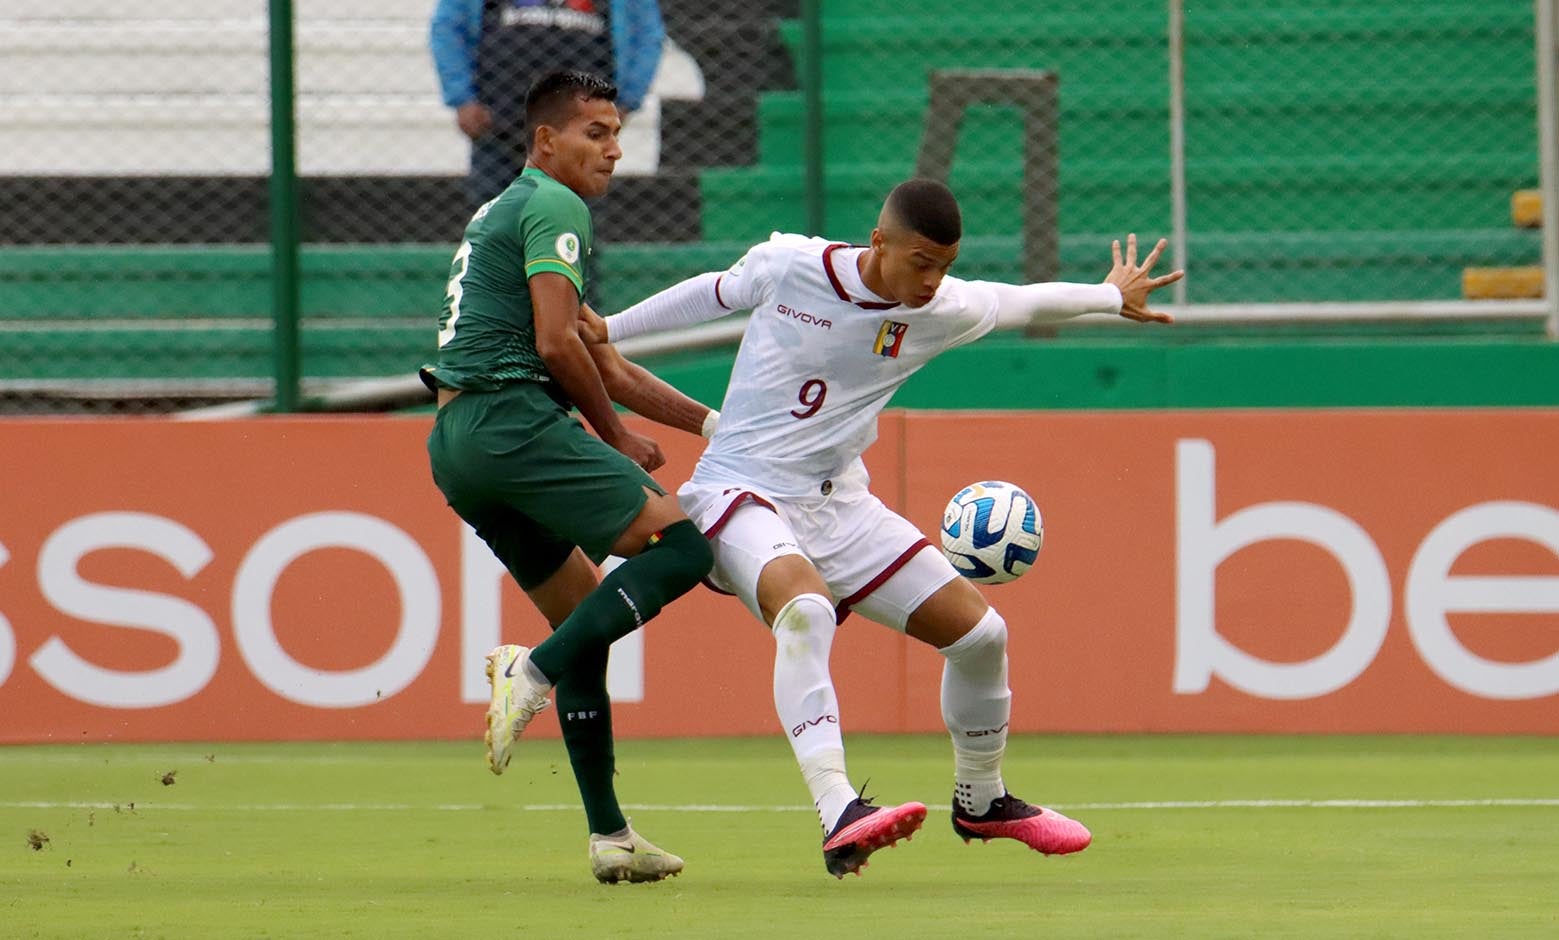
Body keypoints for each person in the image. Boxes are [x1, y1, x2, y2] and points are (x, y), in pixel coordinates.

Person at [584, 179, 1182, 878]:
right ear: (879, 243)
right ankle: (839, 810)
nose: (932, 281)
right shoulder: (794, 266)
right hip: (738, 489)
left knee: (980, 636)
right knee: (805, 612)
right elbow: (711, 292)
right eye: (921, 262)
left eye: (945, 265)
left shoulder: (942, 307)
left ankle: (981, 801)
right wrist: (608, 328)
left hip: (839, 505)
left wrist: (1109, 297)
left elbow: (1021, 300)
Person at [421, 69, 715, 885]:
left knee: (591, 620)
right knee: (684, 550)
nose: (614, 150)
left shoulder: (504, 209)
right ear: (545, 141)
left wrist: (713, 426)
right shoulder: (556, 205)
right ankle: (533, 669)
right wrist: (615, 438)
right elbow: (555, 346)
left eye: (618, 134)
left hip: (457, 439)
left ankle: (610, 837)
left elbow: (597, 359)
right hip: (511, 418)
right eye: (595, 132)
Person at [429, 0, 665, 207]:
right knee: (496, 231)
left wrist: (626, 100)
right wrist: (462, 99)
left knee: (573, 230)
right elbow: (448, 27)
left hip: (582, 129)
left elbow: (648, 34)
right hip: (498, 121)